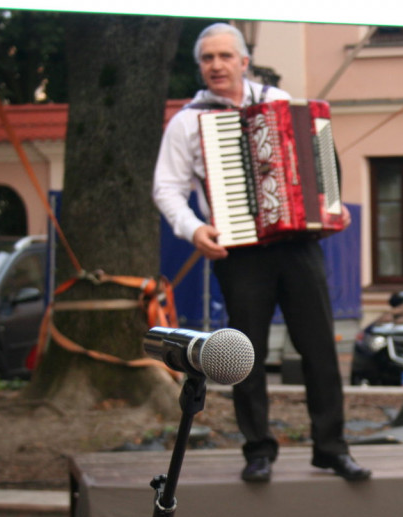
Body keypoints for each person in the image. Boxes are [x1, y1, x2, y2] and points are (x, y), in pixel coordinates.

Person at [153, 22, 370, 483]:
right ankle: (257, 450)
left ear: (243, 61)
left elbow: (320, 154)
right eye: (207, 59)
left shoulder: (277, 103)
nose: (216, 65)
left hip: (298, 245)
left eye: (224, 57)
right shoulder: (188, 121)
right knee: (243, 353)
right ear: (200, 67)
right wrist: (193, 230)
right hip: (240, 251)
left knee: (319, 350)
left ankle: (331, 448)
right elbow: (166, 189)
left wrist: (330, 207)